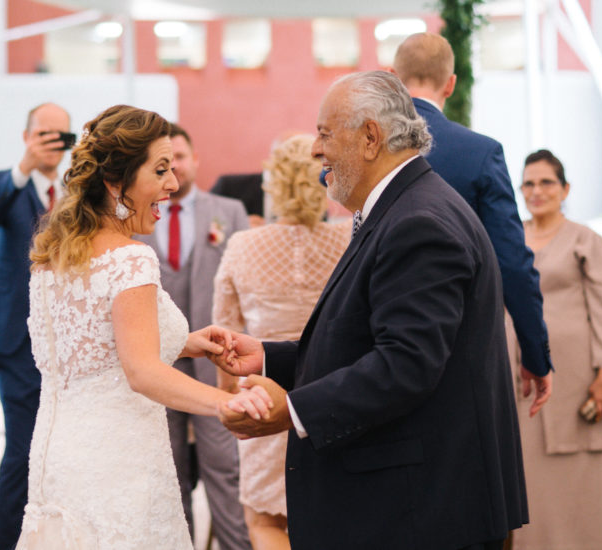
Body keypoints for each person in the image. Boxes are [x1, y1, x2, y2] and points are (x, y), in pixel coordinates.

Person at [210, 71, 528, 550]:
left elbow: (406, 364)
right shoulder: (405, 207)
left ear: (370, 137)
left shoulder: (418, 221)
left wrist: (291, 410)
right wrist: (270, 357)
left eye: (324, 133)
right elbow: (366, 339)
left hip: (421, 511)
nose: (315, 149)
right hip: (412, 502)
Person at [13, 105, 269, 549]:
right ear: (117, 181)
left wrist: (186, 342)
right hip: (120, 462)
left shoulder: (54, 256)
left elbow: (95, 347)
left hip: (58, 460)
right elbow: (141, 372)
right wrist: (226, 403)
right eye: (161, 170)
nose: (172, 184)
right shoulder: (130, 259)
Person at [390, 32, 552, 416]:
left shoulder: (369, 147)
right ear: (450, 84)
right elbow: (511, 263)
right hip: (462, 342)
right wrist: (535, 353)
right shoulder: (480, 153)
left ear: (393, 79)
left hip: (380, 339)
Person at [213, 134, 351, 550]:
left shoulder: (243, 245)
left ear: (273, 183)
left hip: (261, 399)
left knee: (265, 521)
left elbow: (225, 339)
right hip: (333, 396)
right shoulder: (349, 240)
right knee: (336, 519)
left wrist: (228, 402)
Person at [135, 123, 252, 550]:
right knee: (168, 473)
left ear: (195, 160)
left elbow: (244, 285)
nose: (175, 170)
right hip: (154, 361)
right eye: (164, 163)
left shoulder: (229, 211)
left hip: (213, 362)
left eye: (180, 158)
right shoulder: (135, 217)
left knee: (225, 470)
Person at [0, 102, 70, 550]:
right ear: (27, 137)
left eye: (63, 136)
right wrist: (23, 169)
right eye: (45, 134)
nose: (54, 143)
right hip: (14, 334)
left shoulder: (76, 190)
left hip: (66, 335)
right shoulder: (3, 182)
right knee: (24, 447)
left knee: (60, 446)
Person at [507, 149, 602, 549]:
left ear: (565, 189)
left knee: (583, 482)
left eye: (546, 182)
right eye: (528, 183)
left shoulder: (585, 239)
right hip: (520, 380)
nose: (536, 191)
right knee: (530, 481)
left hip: (577, 380)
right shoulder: (508, 237)